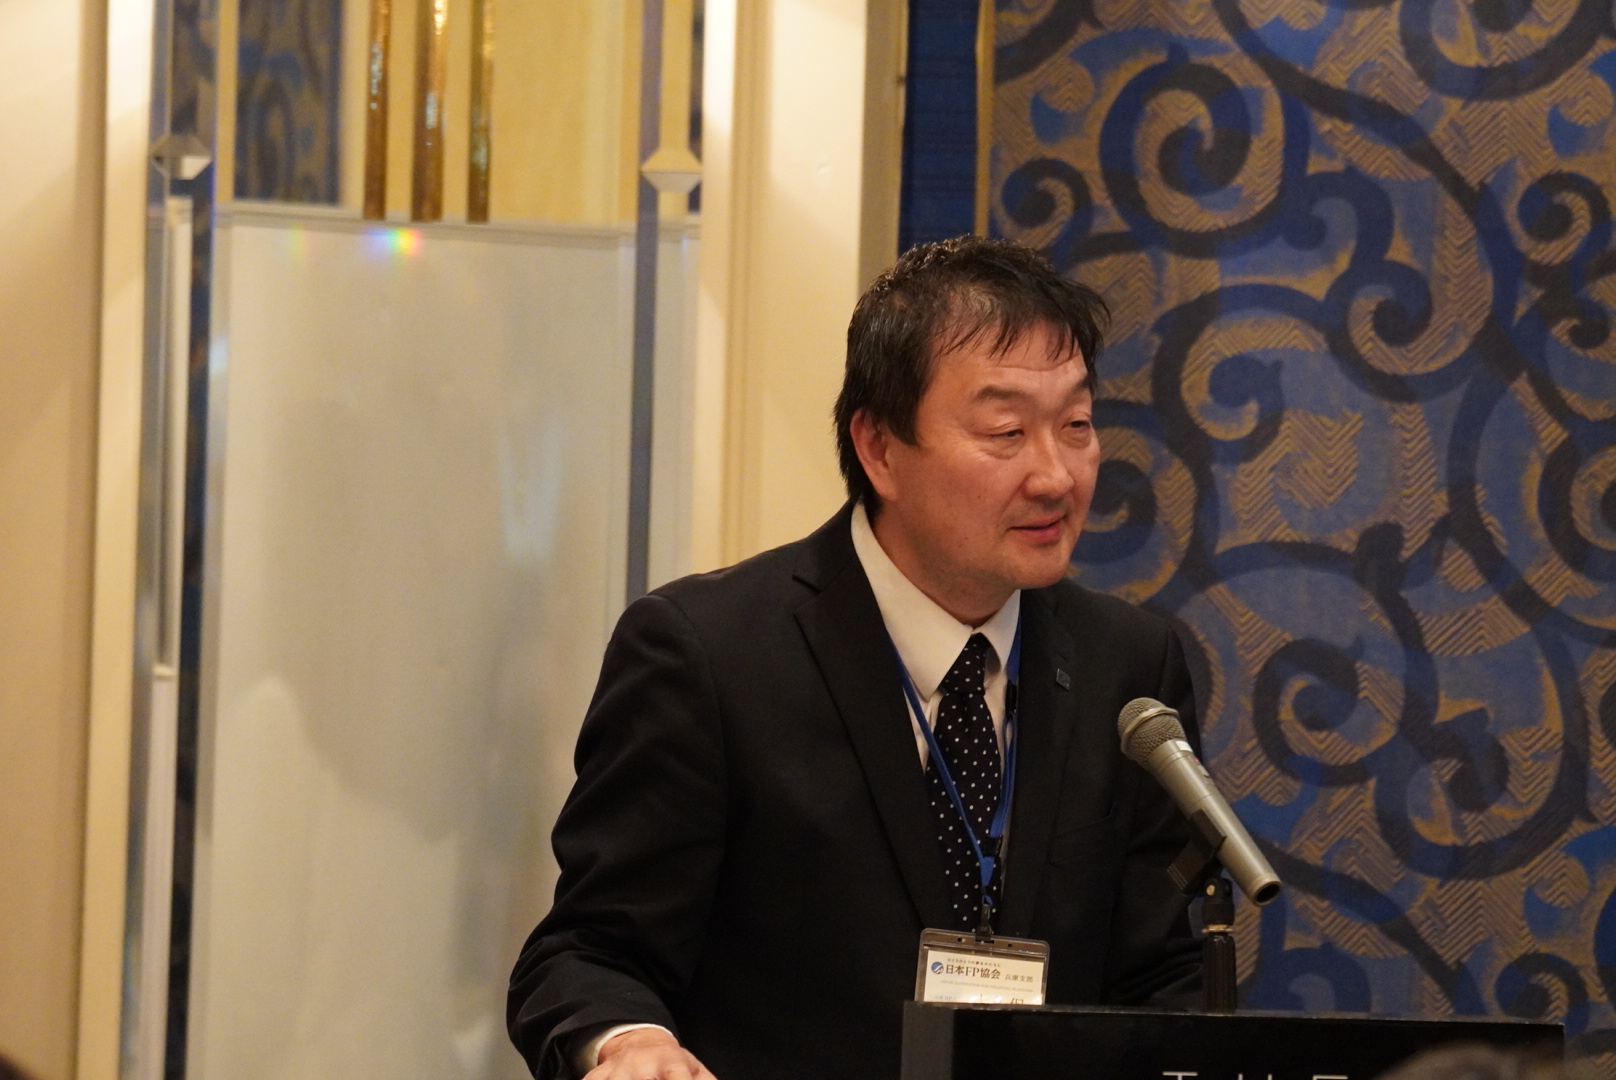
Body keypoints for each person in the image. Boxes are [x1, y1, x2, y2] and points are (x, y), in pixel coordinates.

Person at [507, 236, 1202, 1080]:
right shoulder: (708, 655)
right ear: (878, 449)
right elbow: (589, 951)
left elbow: (1162, 979)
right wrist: (630, 1042)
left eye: (1077, 426)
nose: (1056, 476)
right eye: (1007, 431)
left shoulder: (1128, 669)